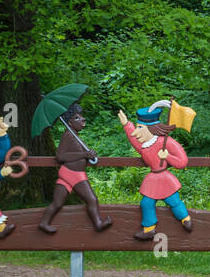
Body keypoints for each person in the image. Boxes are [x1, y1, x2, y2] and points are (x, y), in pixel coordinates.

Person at [120, 105, 192, 241]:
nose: (137, 131)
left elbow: (183, 162)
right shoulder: (145, 145)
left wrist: (167, 157)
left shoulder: (166, 142)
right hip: (153, 178)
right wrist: (126, 124)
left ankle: (185, 219)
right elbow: (134, 140)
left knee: (174, 201)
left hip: (165, 178)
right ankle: (149, 229)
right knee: (146, 203)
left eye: (140, 128)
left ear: (150, 128)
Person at [38, 103, 112, 234]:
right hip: (74, 174)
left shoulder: (75, 136)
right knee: (92, 199)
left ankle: (44, 223)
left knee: (57, 203)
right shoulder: (68, 135)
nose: (82, 119)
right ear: (70, 123)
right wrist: (84, 154)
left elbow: (78, 153)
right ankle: (98, 223)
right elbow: (60, 156)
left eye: (81, 117)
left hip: (68, 174)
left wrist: (89, 156)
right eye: (77, 118)